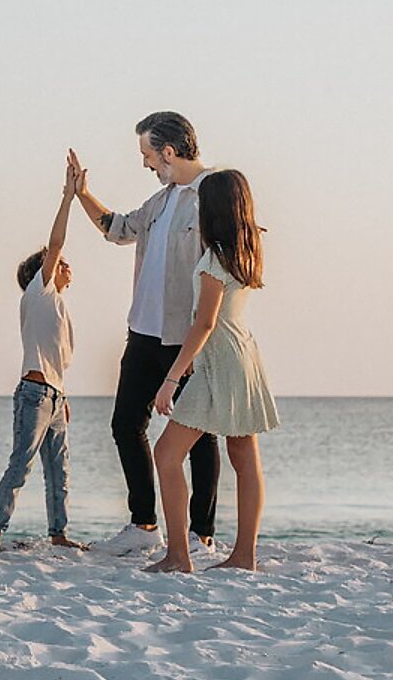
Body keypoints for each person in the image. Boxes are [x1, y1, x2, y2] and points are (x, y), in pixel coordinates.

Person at [68, 112, 220, 557]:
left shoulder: (211, 195)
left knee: (200, 435)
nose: (146, 164)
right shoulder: (161, 201)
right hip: (143, 334)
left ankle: (201, 534)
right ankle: (144, 525)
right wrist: (82, 195)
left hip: (185, 336)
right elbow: (118, 229)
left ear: (168, 152)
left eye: (147, 154)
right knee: (125, 425)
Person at [144, 170, 279, 573]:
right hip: (244, 355)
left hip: (219, 361)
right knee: (244, 457)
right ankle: (244, 556)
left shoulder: (215, 257)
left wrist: (171, 379)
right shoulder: (247, 248)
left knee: (166, 454)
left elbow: (203, 324)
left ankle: (178, 556)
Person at [0, 161, 84, 554]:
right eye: (59, 265)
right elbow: (56, 244)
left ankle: (58, 533)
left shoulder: (56, 305)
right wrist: (67, 197)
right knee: (21, 465)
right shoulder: (38, 293)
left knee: (59, 470)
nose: (66, 267)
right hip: (34, 394)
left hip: (54, 396)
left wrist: (65, 396)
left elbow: (56, 357)